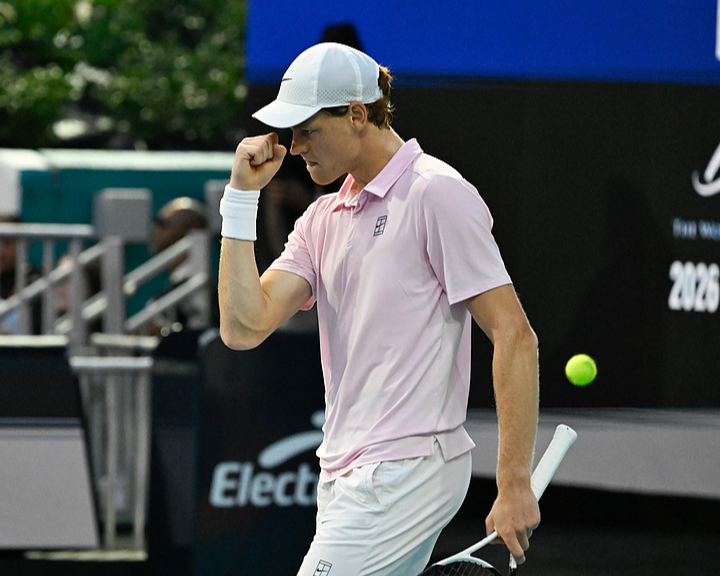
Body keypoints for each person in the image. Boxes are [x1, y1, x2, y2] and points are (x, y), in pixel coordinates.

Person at [217, 43, 540, 575]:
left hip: (409, 467)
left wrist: (514, 484)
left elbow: (514, 335)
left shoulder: (438, 193)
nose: (295, 147)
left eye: (307, 130)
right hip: (343, 475)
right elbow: (242, 327)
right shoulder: (322, 217)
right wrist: (239, 198)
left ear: (356, 115)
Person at [147, 197, 210, 333]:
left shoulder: (198, 287)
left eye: (162, 223)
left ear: (187, 229)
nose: (155, 229)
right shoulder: (173, 286)